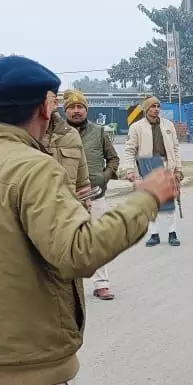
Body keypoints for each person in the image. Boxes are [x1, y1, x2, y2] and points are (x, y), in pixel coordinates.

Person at [0, 55, 178, 385]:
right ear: (46, 105)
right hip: (32, 379)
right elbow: (80, 250)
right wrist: (146, 200)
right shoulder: (33, 168)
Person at [64, 89, 122, 300]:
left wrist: (104, 176)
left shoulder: (98, 132)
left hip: (96, 194)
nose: (76, 111)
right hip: (65, 198)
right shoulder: (56, 133)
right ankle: (68, 288)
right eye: (72, 107)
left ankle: (102, 284)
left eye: (80, 107)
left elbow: (113, 159)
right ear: (65, 110)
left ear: (86, 110)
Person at [122, 95, 184, 247]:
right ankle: (154, 234)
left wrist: (178, 169)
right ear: (146, 108)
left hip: (166, 166)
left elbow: (175, 148)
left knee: (169, 202)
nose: (156, 109)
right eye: (152, 107)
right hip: (147, 166)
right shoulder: (136, 127)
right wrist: (130, 171)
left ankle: (172, 233)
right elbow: (130, 150)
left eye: (158, 106)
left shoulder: (168, 125)